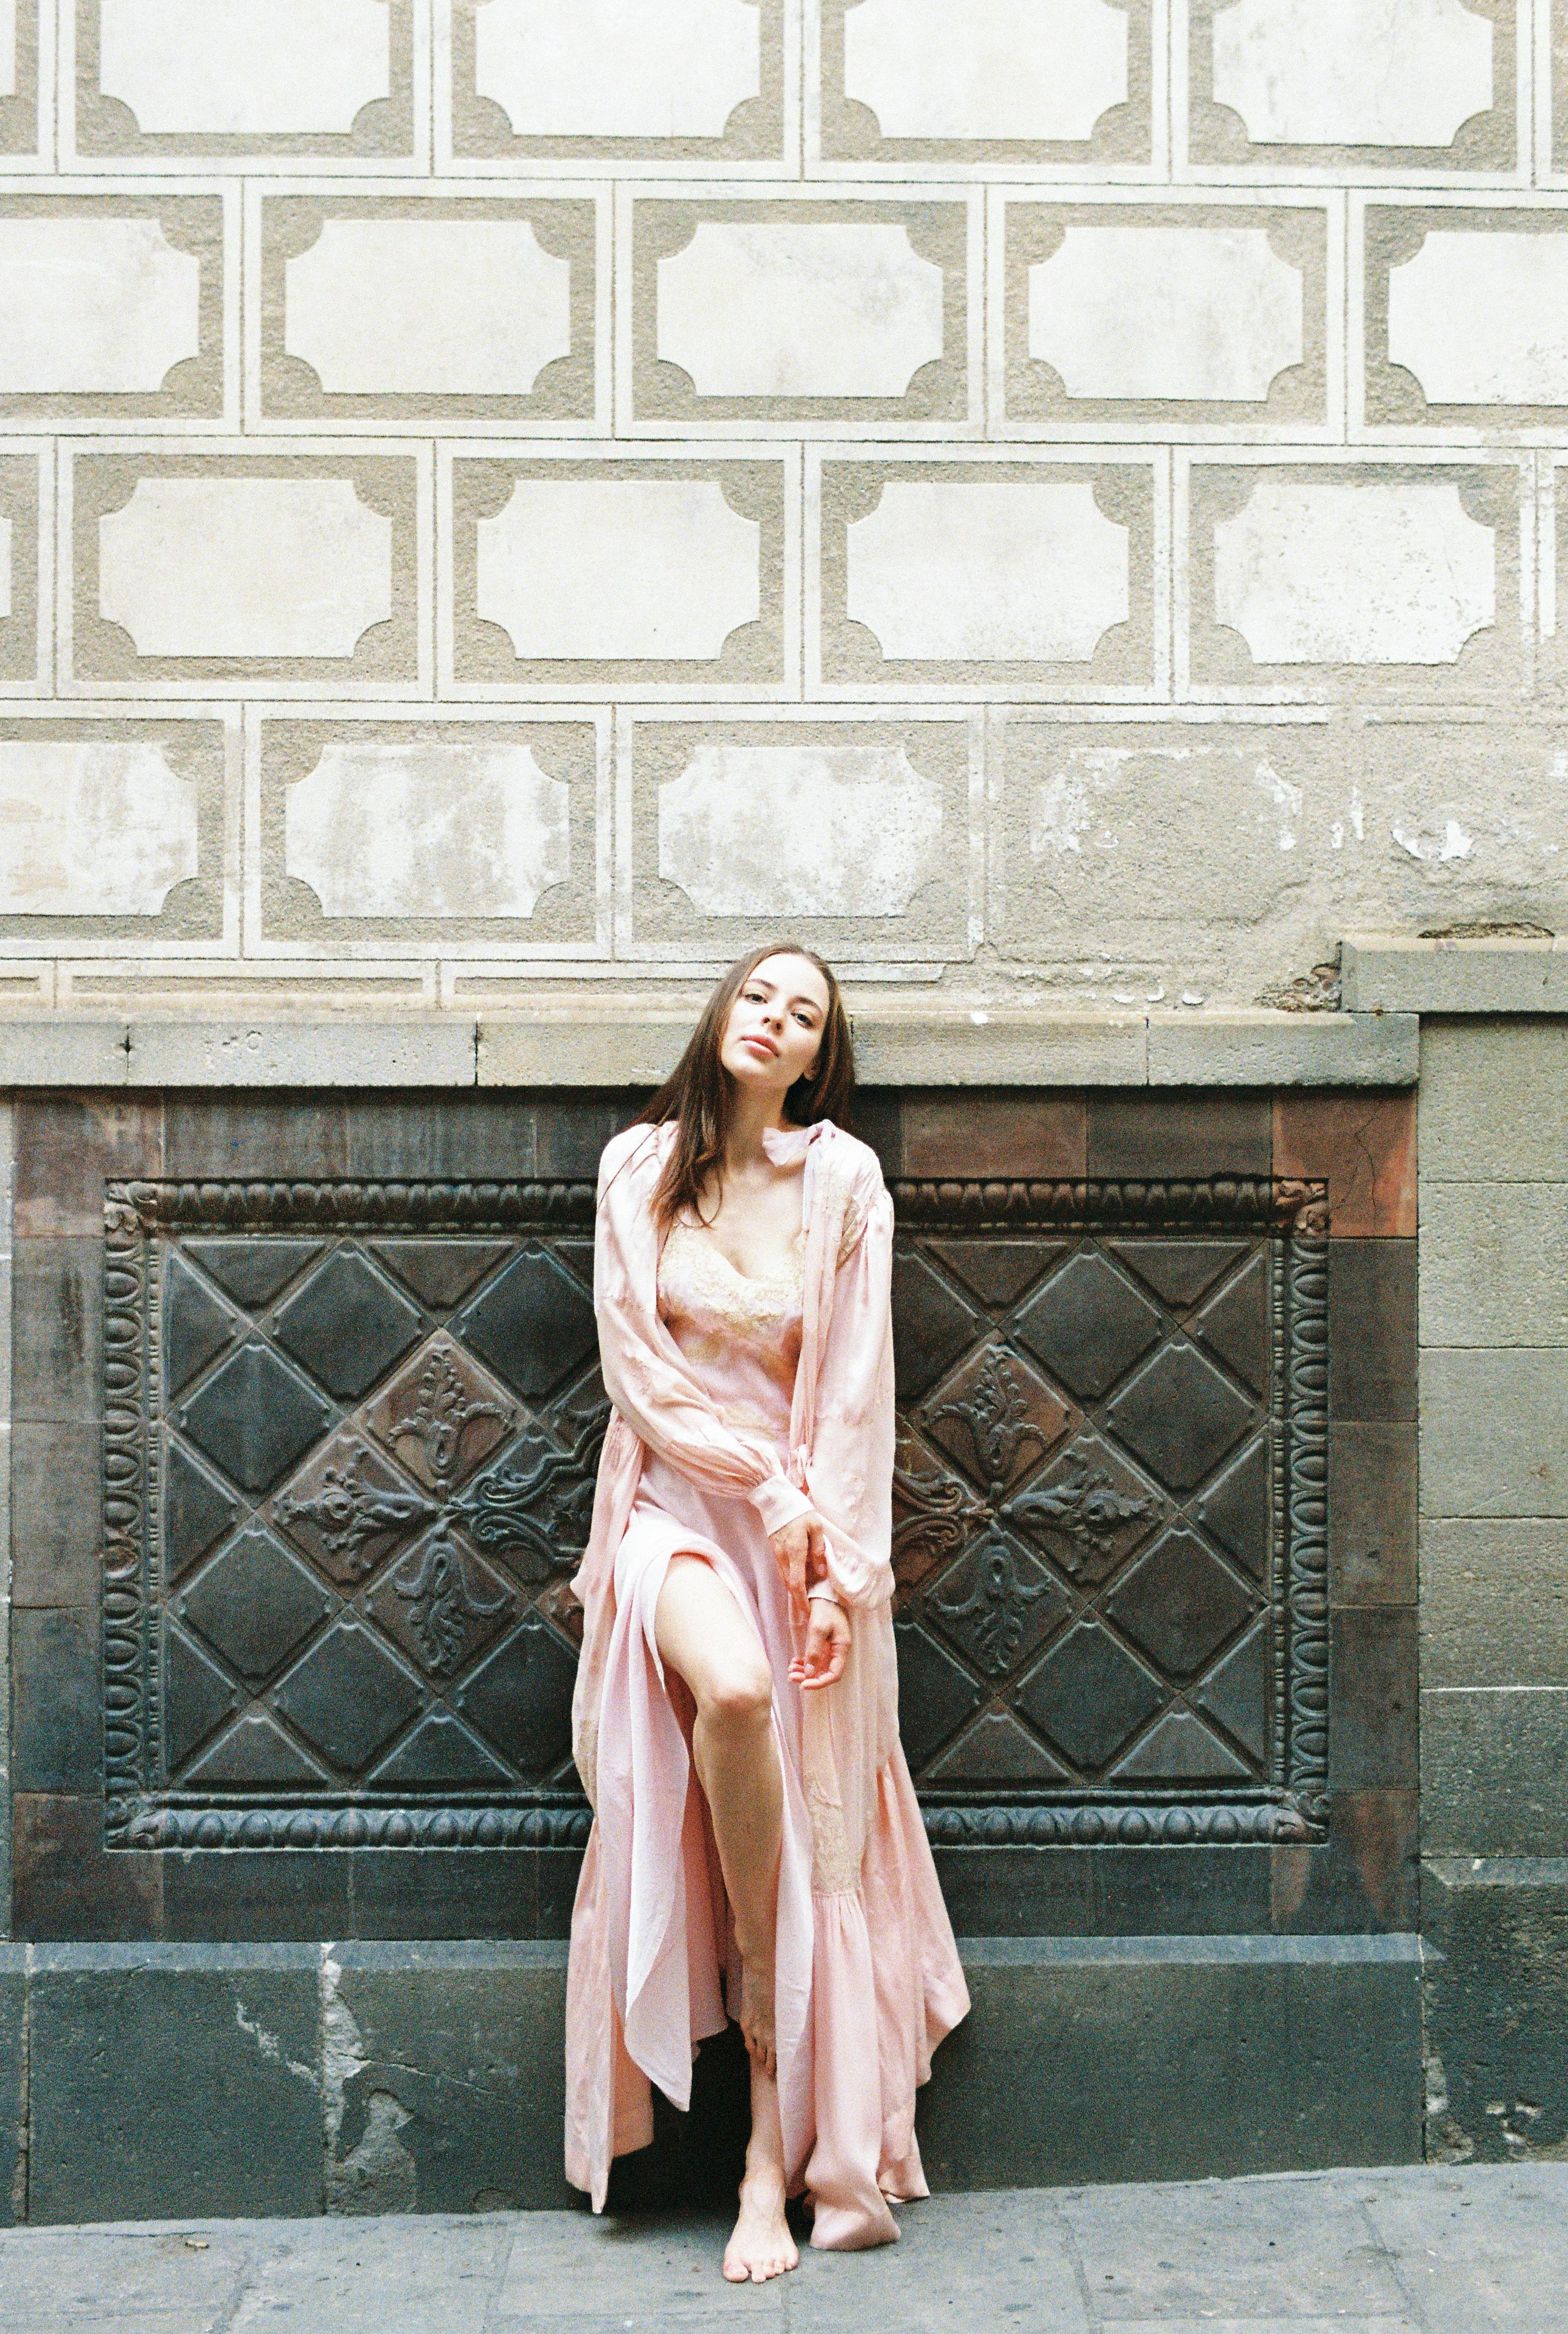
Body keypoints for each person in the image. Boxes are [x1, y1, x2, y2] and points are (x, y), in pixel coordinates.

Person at [563, 943, 970, 2283]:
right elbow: (637, 1372)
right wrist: (765, 1491)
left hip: (810, 1532)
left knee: (806, 1815)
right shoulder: (639, 1168)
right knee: (733, 1691)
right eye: (758, 996)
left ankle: (765, 2148)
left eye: (803, 1015)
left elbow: (857, 1390)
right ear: (722, 1017)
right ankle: (753, 2015)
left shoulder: (845, 1180)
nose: (773, 1020)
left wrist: (839, 1571)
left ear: (816, 1058)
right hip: (672, 1510)